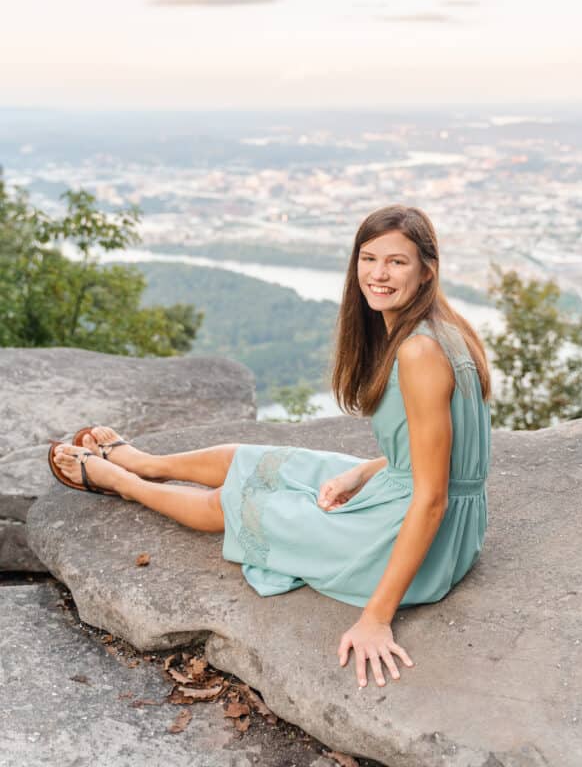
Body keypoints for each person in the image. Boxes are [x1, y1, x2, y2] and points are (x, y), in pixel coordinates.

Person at [49, 204, 492, 689]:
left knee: (241, 504)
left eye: (397, 262)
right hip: (405, 489)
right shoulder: (440, 329)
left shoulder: (418, 351)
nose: (378, 274)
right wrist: (361, 473)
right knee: (263, 460)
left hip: (419, 534)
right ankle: (147, 462)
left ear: (427, 270)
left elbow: (431, 498)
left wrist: (376, 617)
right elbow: (434, 450)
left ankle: (122, 481)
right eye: (368, 258)